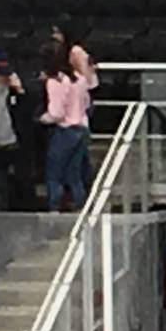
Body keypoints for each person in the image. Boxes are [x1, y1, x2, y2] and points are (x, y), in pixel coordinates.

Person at [40, 40, 93, 212]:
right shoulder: (80, 80)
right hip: (82, 129)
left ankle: (54, 210)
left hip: (66, 131)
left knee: (54, 175)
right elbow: (86, 104)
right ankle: (80, 209)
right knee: (74, 175)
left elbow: (56, 113)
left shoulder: (55, 83)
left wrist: (42, 119)